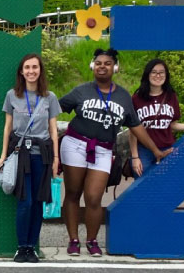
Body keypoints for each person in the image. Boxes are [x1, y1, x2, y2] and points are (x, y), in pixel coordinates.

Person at [58, 48, 171, 257]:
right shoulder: (81, 90)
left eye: (107, 63)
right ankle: (73, 240)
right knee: (73, 193)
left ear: (115, 68)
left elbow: (135, 126)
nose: (102, 66)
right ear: (93, 66)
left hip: (102, 150)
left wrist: (156, 150)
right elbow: (54, 109)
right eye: (98, 63)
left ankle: (92, 240)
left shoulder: (123, 96)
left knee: (94, 197)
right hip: (75, 145)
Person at [0, 54, 60, 263]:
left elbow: (53, 130)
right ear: (21, 72)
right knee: (26, 202)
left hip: (42, 155)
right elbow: (7, 127)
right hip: (20, 155)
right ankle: (21, 246)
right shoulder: (12, 95)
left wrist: (56, 158)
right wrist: (3, 156)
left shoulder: (49, 97)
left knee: (38, 203)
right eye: (27, 68)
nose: (31, 71)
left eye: (35, 67)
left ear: (40, 70)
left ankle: (32, 246)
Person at [128, 59, 184, 177]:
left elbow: (173, 124)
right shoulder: (137, 99)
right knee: (143, 189)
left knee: (166, 186)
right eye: (154, 72)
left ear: (166, 75)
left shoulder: (171, 97)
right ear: (147, 74)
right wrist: (135, 157)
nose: (158, 75)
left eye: (161, 72)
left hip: (168, 149)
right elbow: (133, 131)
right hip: (144, 151)